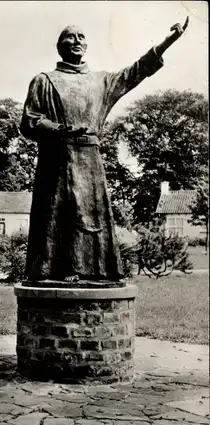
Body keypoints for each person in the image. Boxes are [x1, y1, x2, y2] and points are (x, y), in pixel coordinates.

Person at [21, 18, 189, 283]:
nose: (76, 40)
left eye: (81, 36)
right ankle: (55, 271)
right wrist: (57, 129)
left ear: (86, 45)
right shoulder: (44, 81)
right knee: (58, 216)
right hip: (57, 159)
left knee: (90, 216)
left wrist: (168, 42)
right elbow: (29, 121)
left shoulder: (101, 81)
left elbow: (136, 71)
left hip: (90, 161)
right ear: (59, 46)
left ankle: (97, 271)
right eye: (70, 36)